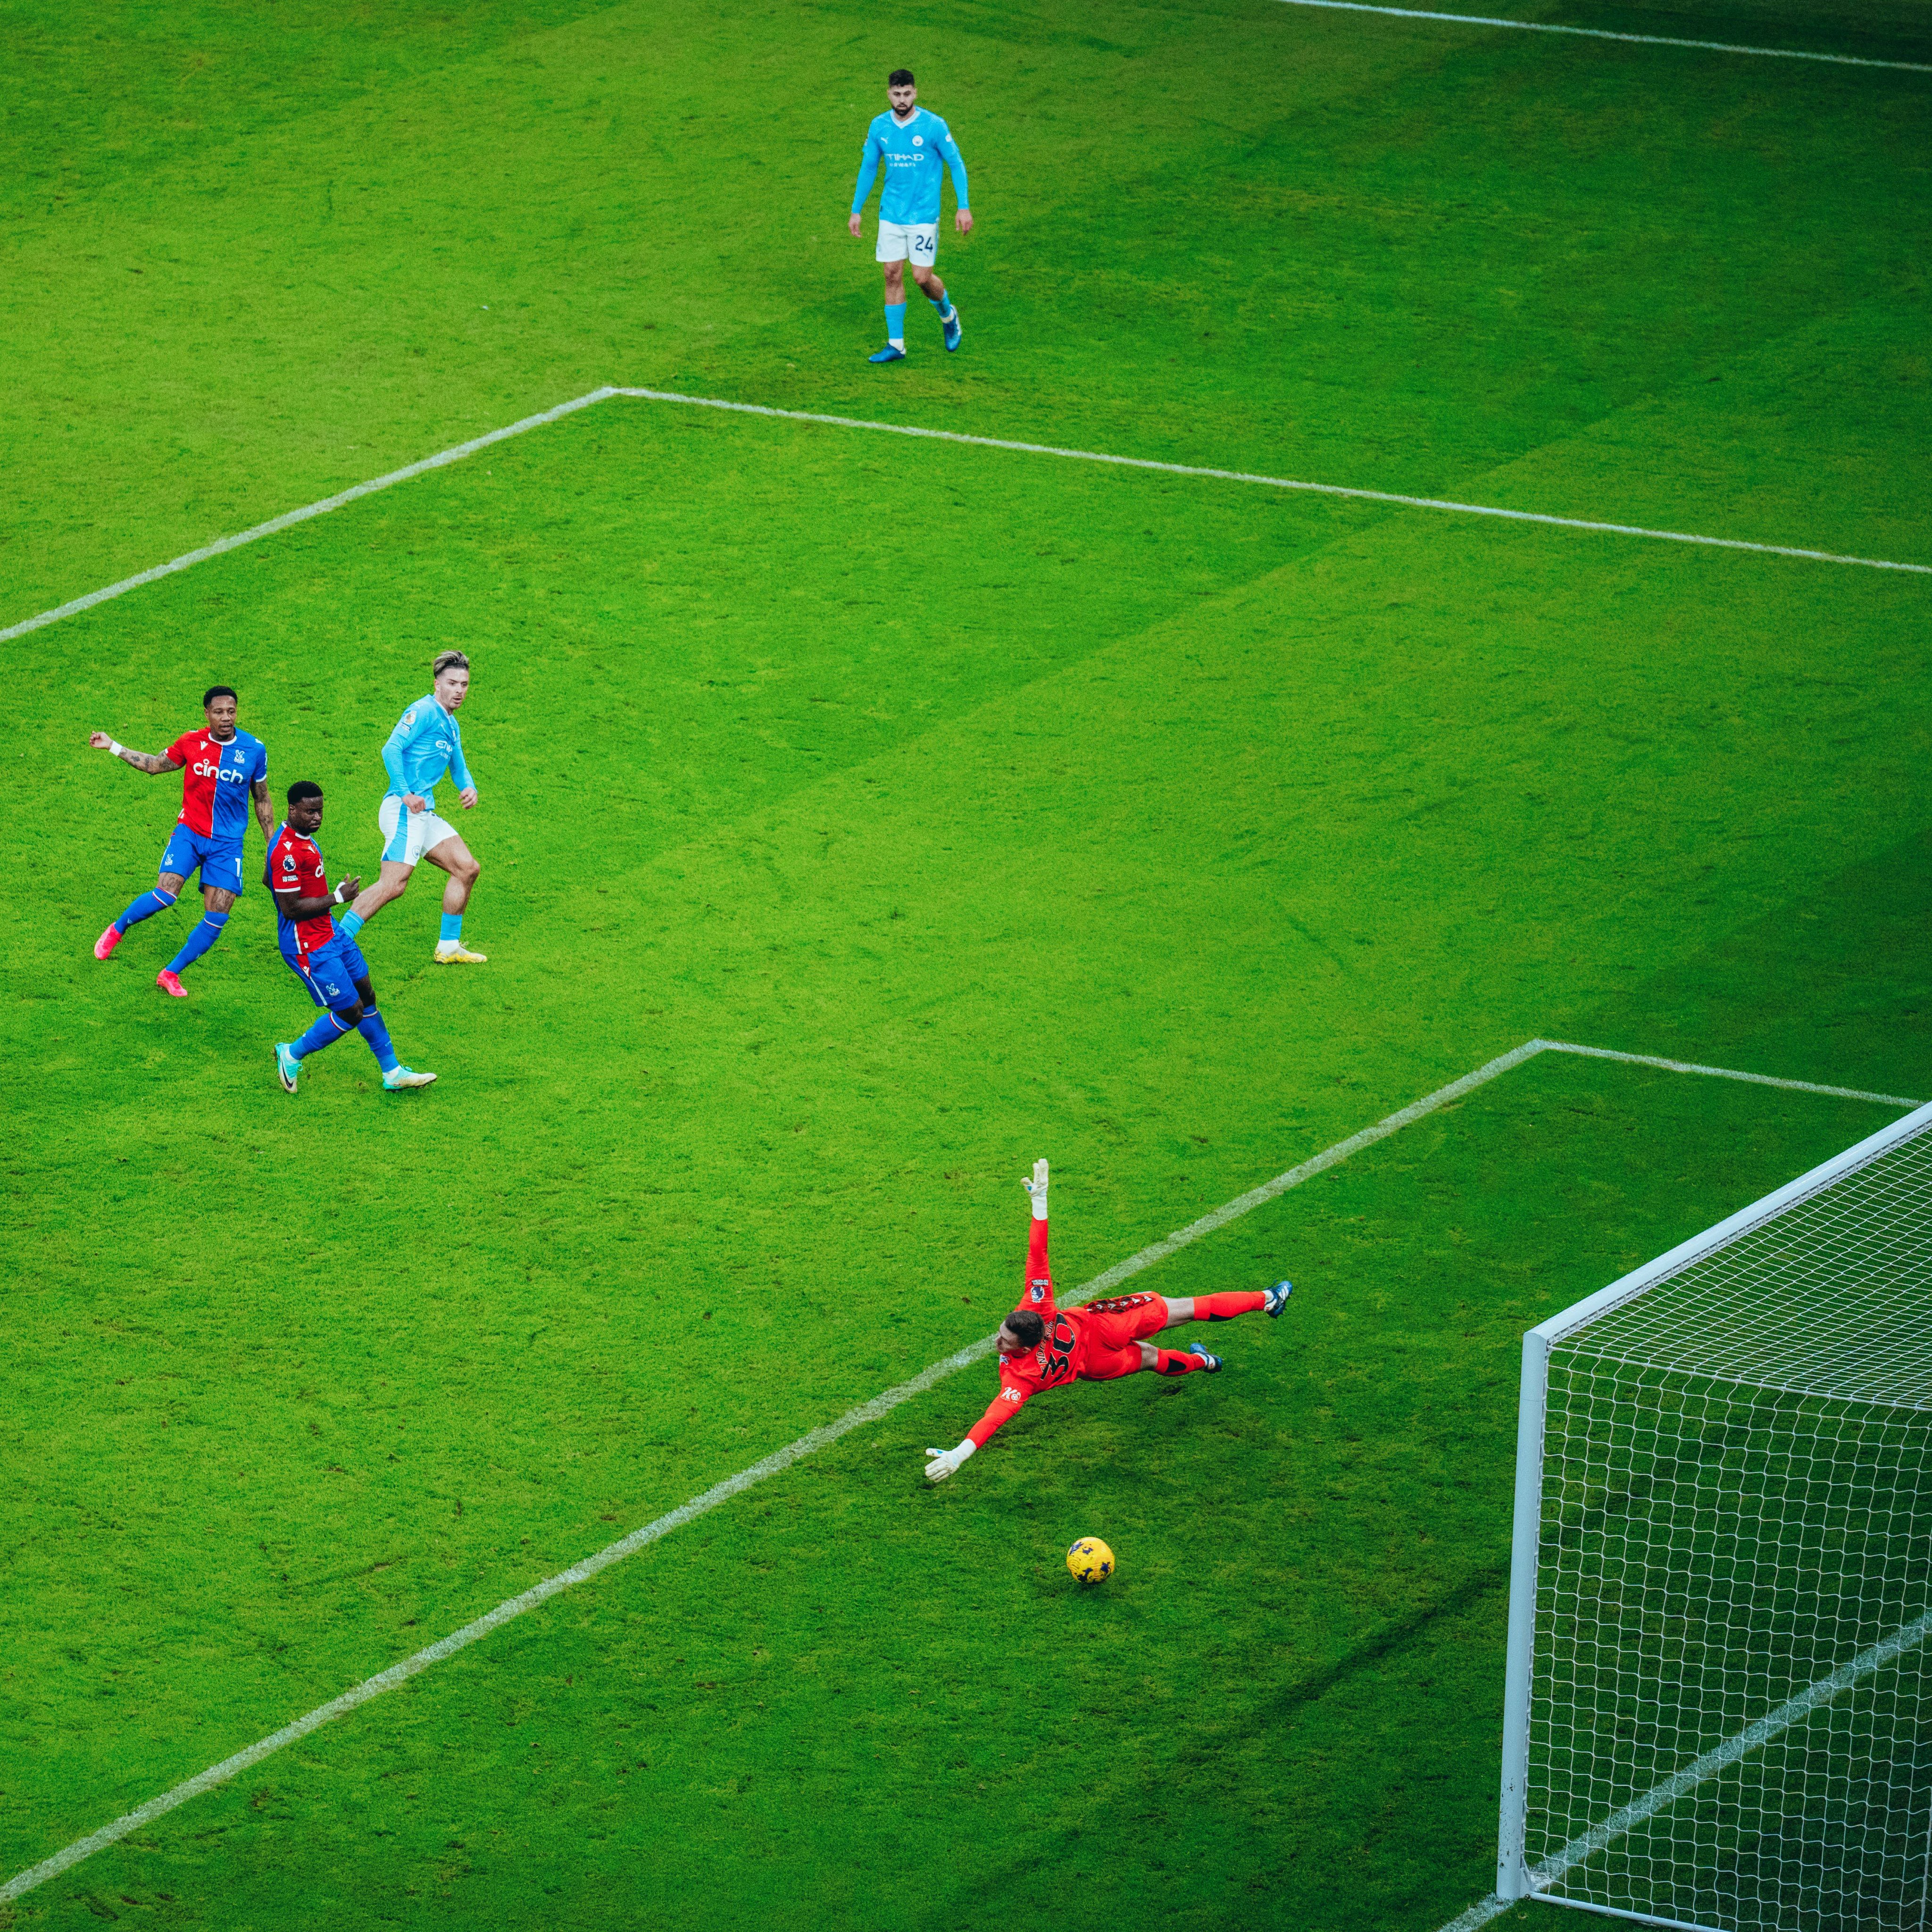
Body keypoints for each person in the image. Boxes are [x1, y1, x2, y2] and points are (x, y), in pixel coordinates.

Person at [924, 1160, 1291, 1481]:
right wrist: (1039, 1200)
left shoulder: (1022, 1377)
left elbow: (997, 1414)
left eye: (1005, 1340)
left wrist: (961, 1453)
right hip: (1106, 1329)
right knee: (1185, 1311)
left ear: (1028, 1342)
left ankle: (1206, 1361)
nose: (998, 1342)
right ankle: (1266, 1301)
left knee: (1156, 1354)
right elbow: (1039, 1255)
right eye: (1002, 1334)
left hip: (1096, 1363)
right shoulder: (1039, 1305)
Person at [90, 685, 274, 997]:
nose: (226, 718)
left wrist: (272, 846)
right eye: (219, 712)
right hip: (190, 833)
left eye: (231, 711)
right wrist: (113, 746)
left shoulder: (254, 750)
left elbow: (263, 799)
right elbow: (154, 765)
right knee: (167, 893)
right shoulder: (192, 742)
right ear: (207, 714)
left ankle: (170, 973)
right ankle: (117, 929)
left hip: (227, 845)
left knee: (217, 916)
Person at [268, 781, 436, 1094]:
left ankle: (393, 1072)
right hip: (308, 946)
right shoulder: (286, 852)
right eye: (310, 812)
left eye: (320, 811)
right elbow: (290, 908)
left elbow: (269, 880)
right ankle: (290, 1054)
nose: (317, 817)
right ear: (292, 810)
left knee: (367, 995)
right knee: (349, 1011)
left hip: (330, 932)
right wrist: (337, 897)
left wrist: (320, 903)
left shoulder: (303, 839)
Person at [336, 650, 486, 964]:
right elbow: (391, 748)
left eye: (465, 684)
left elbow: (458, 766)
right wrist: (405, 793)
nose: (460, 690)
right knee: (394, 883)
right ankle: (333, 946)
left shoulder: (451, 723)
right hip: (405, 808)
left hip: (423, 812)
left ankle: (448, 947)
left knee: (466, 868)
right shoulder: (424, 711)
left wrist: (468, 787)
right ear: (437, 684)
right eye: (453, 683)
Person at [849, 68, 971, 364]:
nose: (902, 100)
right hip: (891, 213)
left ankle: (948, 314)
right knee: (891, 274)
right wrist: (856, 210)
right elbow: (868, 168)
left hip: (923, 215)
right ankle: (896, 345)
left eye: (907, 94)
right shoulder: (879, 127)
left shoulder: (933, 126)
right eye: (896, 94)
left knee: (921, 277)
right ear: (888, 93)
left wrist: (963, 206)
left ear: (915, 93)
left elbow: (956, 164)